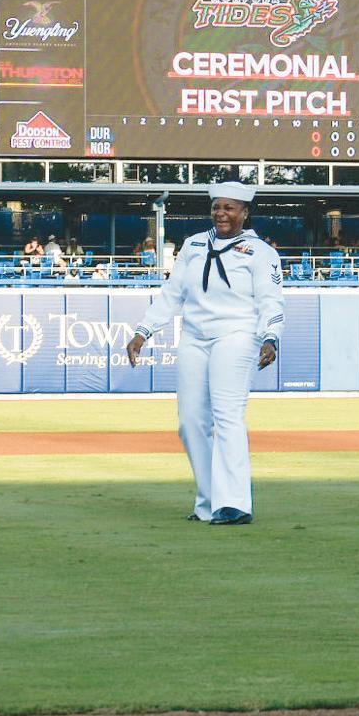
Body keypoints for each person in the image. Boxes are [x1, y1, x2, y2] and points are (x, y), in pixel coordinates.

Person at [125, 182, 284, 526]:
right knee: (190, 422)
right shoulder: (194, 245)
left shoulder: (261, 252)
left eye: (229, 208)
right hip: (195, 337)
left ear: (244, 212)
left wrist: (270, 336)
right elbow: (171, 294)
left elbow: (271, 300)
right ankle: (209, 501)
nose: (221, 214)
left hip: (238, 335)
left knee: (227, 416)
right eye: (217, 207)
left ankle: (235, 503)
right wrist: (143, 330)